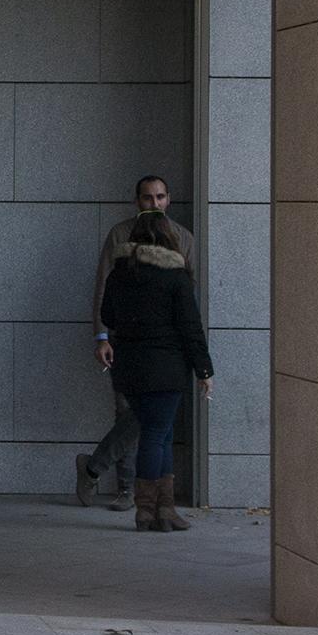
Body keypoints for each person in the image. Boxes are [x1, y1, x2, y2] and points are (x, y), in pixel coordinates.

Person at [76, 175, 194, 511]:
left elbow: (190, 294)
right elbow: (103, 288)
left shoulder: (183, 238)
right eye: (147, 198)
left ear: (168, 199)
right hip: (127, 343)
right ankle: (128, 489)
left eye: (159, 197)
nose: (154, 204)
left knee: (153, 420)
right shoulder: (120, 234)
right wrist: (101, 336)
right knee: (130, 412)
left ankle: (95, 467)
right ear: (136, 201)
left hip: (167, 349)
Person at [100, 209, 214, 531]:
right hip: (165, 370)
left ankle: (165, 510)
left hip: (130, 369)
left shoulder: (119, 274)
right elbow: (191, 327)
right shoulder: (176, 276)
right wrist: (204, 370)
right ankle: (148, 511)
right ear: (168, 237)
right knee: (155, 434)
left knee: (160, 434)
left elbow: (108, 315)